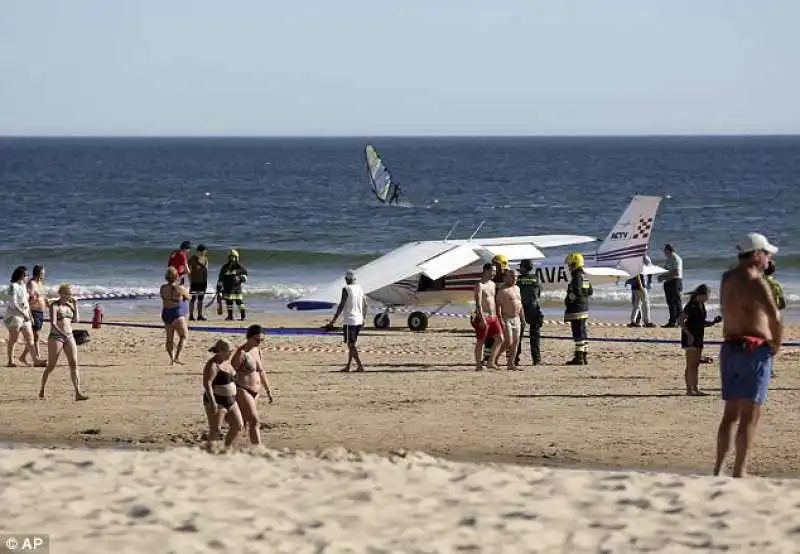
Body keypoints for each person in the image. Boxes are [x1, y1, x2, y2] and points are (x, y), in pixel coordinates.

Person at [714, 233, 781, 478]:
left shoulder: (727, 278)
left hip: (730, 347)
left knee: (730, 415)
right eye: (766, 254)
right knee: (749, 417)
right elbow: (775, 316)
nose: (769, 258)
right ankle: (740, 471)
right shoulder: (756, 281)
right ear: (756, 255)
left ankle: (718, 469)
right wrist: (776, 343)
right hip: (754, 349)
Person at [38, 284, 88, 401]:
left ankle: (77, 392)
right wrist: (62, 333)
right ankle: (42, 389)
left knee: (74, 363)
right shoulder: (54, 306)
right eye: (66, 293)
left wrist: (75, 305)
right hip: (56, 336)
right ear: (60, 293)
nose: (68, 296)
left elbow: (76, 320)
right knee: (51, 365)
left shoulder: (69, 306)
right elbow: (53, 324)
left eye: (70, 294)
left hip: (69, 336)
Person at [232, 324, 274, 446]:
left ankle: (234, 447)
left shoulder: (257, 350)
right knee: (254, 420)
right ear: (249, 338)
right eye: (257, 340)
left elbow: (261, 371)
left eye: (262, 340)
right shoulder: (241, 353)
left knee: (244, 423)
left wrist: (268, 390)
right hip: (242, 389)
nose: (259, 343)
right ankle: (258, 448)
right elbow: (231, 373)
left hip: (256, 391)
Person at [678, 284, 722, 396]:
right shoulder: (691, 306)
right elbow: (681, 321)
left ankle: (695, 388)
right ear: (701, 295)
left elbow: (700, 322)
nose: (708, 298)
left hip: (699, 335)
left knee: (696, 364)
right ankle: (689, 389)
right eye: (707, 295)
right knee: (690, 364)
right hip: (690, 337)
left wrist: (712, 322)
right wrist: (688, 334)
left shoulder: (701, 305)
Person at [202, 339, 243, 450]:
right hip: (217, 400)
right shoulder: (213, 365)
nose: (230, 353)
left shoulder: (227, 363)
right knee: (215, 430)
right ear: (220, 351)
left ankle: (226, 450)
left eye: (231, 351)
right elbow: (207, 384)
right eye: (228, 351)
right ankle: (209, 453)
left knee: (238, 426)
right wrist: (213, 402)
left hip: (231, 401)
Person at [326, 270, 368, 372]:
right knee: (351, 344)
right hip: (358, 320)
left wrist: (333, 320)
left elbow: (342, 305)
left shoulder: (346, 289)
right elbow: (366, 304)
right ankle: (348, 366)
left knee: (351, 345)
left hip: (350, 320)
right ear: (354, 279)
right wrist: (364, 318)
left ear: (346, 279)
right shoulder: (360, 288)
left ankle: (360, 365)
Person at [471, 263, 504, 371]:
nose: (494, 273)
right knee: (481, 340)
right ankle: (478, 365)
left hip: (493, 316)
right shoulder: (479, 285)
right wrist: (482, 318)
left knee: (500, 338)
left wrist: (498, 315)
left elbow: (493, 301)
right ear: (486, 271)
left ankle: (490, 362)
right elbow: (478, 303)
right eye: (492, 271)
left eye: (495, 271)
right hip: (483, 316)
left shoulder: (493, 284)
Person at [563, 252, 593, 365]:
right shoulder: (584, 276)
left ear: (575, 264)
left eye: (570, 265)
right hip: (584, 309)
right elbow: (590, 291)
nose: (569, 267)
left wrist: (569, 299)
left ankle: (579, 358)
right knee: (583, 332)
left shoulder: (576, 277)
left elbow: (576, 292)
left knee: (577, 333)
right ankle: (584, 356)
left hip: (577, 310)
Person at [3, 266, 36, 368]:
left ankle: (36, 359)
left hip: (25, 315)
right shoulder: (13, 286)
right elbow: (13, 303)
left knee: (30, 338)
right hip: (14, 316)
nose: (28, 277)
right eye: (26, 275)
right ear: (22, 276)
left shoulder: (24, 287)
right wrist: (23, 313)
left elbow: (26, 303)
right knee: (13, 339)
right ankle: (10, 361)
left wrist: (30, 315)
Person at [160, 266, 191, 365]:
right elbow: (188, 297)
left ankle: (171, 359)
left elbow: (164, 296)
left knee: (169, 339)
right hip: (176, 314)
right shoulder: (180, 288)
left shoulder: (162, 288)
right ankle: (177, 357)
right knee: (184, 336)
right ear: (176, 276)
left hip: (166, 313)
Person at [515, 259, 542, 366]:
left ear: (524, 268)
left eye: (521, 267)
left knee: (518, 336)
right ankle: (536, 359)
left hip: (522, 310)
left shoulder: (519, 280)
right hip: (535, 309)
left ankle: (515, 358)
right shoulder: (536, 279)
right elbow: (538, 293)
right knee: (535, 337)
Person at [20, 264, 48, 366]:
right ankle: (36, 357)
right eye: (43, 273)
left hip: (40, 312)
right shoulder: (31, 283)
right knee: (35, 336)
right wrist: (32, 297)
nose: (44, 275)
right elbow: (29, 296)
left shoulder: (40, 283)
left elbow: (43, 297)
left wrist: (49, 305)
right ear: (39, 273)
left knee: (36, 336)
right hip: (33, 311)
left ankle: (28, 356)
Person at [483, 254, 508, 364]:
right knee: (489, 337)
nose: (494, 267)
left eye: (496, 264)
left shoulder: (507, 278)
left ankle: (509, 358)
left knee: (507, 337)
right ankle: (487, 358)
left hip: (505, 312)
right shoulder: (490, 279)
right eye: (493, 264)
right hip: (492, 312)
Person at [496, 269, 523, 371]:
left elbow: (520, 304)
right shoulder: (503, 290)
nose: (514, 279)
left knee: (516, 341)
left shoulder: (517, 288)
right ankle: (495, 358)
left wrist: (523, 318)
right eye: (512, 276)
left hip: (516, 318)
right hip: (506, 317)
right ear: (506, 277)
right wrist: (500, 320)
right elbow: (498, 306)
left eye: (516, 277)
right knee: (508, 341)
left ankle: (511, 363)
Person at [217, 249, 248, 321]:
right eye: (231, 257)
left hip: (237, 288)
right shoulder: (225, 267)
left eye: (233, 257)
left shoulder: (240, 267)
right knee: (229, 302)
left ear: (237, 257)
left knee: (239, 302)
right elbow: (221, 278)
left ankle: (243, 316)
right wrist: (219, 287)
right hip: (227, 288)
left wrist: (240, 278)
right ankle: (230, 316)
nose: (232, 258)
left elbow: (245, 276)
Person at [657, 244, 684, 327]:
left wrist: (664, 277)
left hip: (674, 282)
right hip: (669, 282)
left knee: (676, 302)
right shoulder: (669, 259)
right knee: (671, 303)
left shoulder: (675, 258)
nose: (664, 252)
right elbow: (668, 271)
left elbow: (676, 272)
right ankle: (673, 321)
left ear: (668, 250)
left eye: (665, 250)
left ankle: (679, 321)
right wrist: (662, 277)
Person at [188, 244, 209, 321]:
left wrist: (205, 280)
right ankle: (191, 315)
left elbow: (206, 270)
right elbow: (189, 271)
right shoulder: (192, 259)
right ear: (198, 251)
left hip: (203, 282)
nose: (204, 252)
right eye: (203, 251)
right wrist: (190, 280)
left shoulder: (205, 259)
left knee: (200, 299)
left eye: (204, 251)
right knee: (193, 298)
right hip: (194, 282)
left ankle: (200, 315)